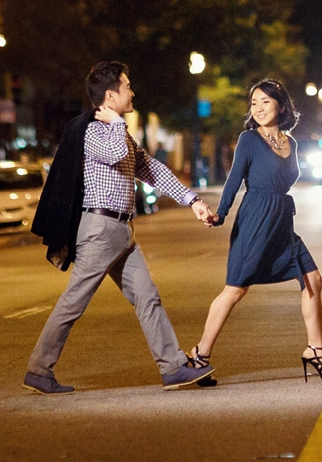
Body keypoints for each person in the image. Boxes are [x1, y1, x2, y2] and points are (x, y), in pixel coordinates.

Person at [22, 61, 216, 395]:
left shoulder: (118, 131)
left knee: (147, 298)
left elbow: (148, 167)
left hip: (122, 231)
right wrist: (114, 123)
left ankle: (172, 368)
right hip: (99, 228)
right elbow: (113, 154)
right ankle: (39, 370)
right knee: (74, 302)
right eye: (127, 86)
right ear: (111, 96)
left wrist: (191, 199)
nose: (133, 92)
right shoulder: (94, 131)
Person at [186, 78, 322, 383]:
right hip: (256, 218)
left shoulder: (291, 143)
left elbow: (286, 179)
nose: (258, 108)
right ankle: (199, 356)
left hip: (282, 219)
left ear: (281, 105)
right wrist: (221, 214)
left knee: (313, 279)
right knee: (235, 289)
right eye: (254, 103)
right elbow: (235, 180)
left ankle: (315, 350)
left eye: (265, 102)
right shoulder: (249, 140)